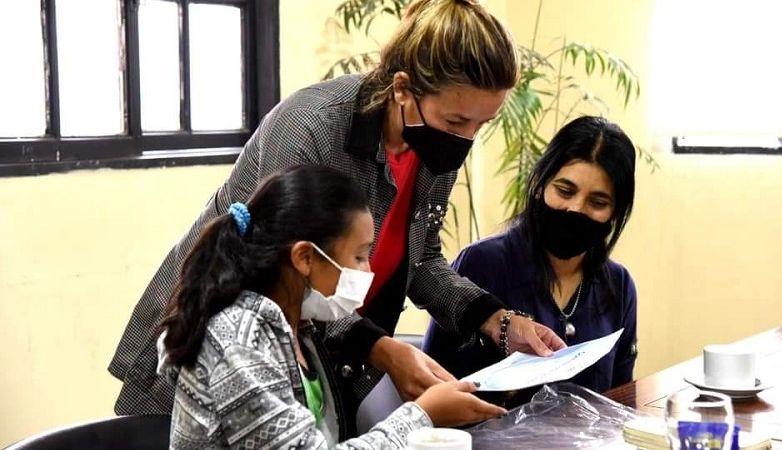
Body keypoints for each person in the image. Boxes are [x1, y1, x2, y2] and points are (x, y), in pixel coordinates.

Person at [110, 0, 565, 421]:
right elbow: (283, 275)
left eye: (482, 124)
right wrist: (382, 349)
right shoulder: (311, 128)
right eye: (456, 121)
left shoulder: (432, 146)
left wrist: (497, 320)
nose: (466, 139)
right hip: (218, 344)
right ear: (402, 89)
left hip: (315, 356)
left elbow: (422, 257)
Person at [158, 165, 506, 449]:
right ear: (305, 257)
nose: (368, 271)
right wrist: (422, 415)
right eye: (359, 256)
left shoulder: (300, 329)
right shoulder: (238, 340)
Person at [423, 116, 639, 408]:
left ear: (615, 212)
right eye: (565, 191)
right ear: (539, 183)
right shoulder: (481, 264)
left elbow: (620, 401)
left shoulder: (619, 285)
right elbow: (433, 387)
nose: (576, 209)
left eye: (598, 203)